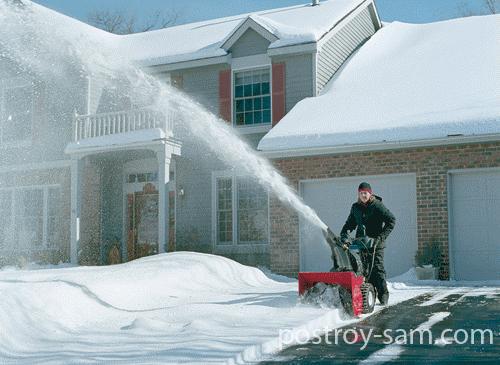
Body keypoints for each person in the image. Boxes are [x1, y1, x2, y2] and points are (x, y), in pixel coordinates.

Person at [340, 182, 396, 305]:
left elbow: (391, 220)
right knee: (362, 270)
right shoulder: (355, 207)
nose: (363, 195)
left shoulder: (377, 206)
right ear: (358, 194)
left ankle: (383, 296)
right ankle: (367, 295)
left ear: (370, 193)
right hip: (361, 243)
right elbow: (349, 225)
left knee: (377, 269)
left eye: (365, 193)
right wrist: (344, 237)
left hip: (376, 244)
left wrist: (381, 238)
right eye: (361, 193)